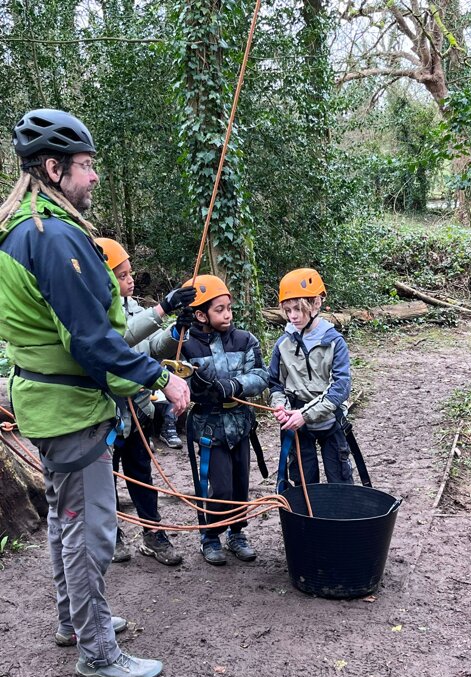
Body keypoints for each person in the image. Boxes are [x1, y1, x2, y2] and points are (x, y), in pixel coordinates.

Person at [0, 109, 190, 677]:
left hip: (49, 402)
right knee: (90, 530)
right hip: (72, 409)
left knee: (65, 519)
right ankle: (98, 651)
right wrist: (160, 378)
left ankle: (76, 621)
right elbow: (90, 341)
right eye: (85, 165)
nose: (94, 176)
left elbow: (86, 331)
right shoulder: (54, 238)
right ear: (53, 168)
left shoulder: (23, 228)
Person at [94, 237, 194, 565]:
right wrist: (163, 308)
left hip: (137, 409)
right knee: (106, 478)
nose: (130, 280)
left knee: (141, 474)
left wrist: (174, 334)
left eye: (130, 273)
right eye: (121, 276)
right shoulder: (92, 314)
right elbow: (117, 341)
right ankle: (111, 534)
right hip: (105, 414)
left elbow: (150, 348)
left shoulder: (135, 309)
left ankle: (153, 533)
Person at [179, 275, 269, 565]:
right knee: (220, 487)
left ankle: (237, 533)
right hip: (210, 429)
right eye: (219, 310)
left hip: (240, 425)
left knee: (240, 485)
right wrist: (198, 386)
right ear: (201, 315)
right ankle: (210, 536)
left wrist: (235, 385)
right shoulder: (186, 345)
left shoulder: (245, 340)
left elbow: (262, 375)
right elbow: (176, 381)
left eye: (229, 308)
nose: (228, 314)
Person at [269, 268, 354, 486]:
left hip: (330, 420)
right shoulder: (283, 343)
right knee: (303, 485)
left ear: (316, 303)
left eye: (299, 308)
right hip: (297, 426)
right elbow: (275, 384)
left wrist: (305, 415)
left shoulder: (335, 342)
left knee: (341, 483)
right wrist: (279, 405)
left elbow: (340, 388)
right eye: (288, 310)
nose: (293, 316)